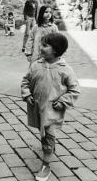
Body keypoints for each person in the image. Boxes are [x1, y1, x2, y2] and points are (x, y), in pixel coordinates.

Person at [21, 32, 80, 181]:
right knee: (43, 132)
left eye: (45, 45)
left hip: (52, 110)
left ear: (56, 49)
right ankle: (49, 147)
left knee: (48, 134)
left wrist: (63, 102)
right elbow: (25, 81)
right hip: (37, 107)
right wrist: (27, 94)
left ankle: (46, 164)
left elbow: (74, 90)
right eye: (41, 44)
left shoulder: (65, 69)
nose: (40, 47)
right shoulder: (36, 65)